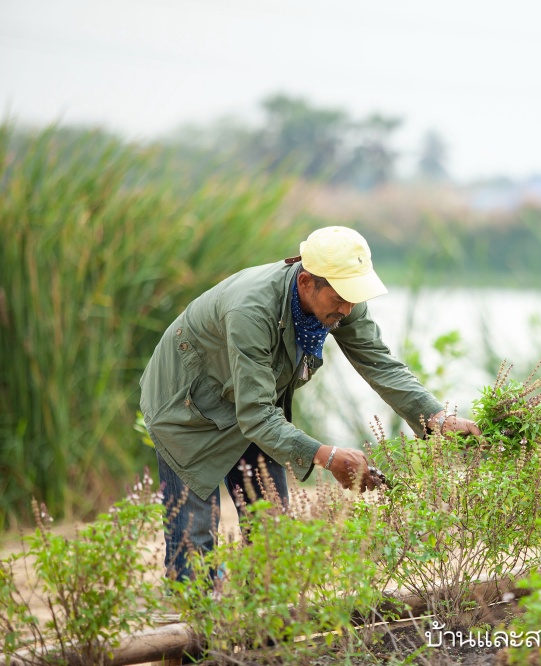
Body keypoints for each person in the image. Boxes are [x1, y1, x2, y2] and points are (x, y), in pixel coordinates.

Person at [139, 226, 481, 581]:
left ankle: (258, 617)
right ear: (305, 283)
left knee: (272, 536)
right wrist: (329, 457)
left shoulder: (343, 299)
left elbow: (380, 364)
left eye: (353, 296)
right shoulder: (251, 311)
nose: (347, 308)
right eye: (340, 298)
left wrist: (438, 419)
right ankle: (191, 613)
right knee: (193, 549)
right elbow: (256, 415)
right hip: (187, 405)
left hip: (254, 407)